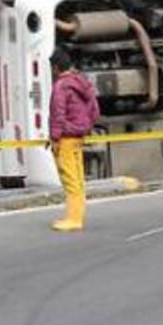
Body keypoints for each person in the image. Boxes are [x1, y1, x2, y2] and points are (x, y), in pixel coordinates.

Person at [48, 47, 100, 232]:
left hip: (66, 138)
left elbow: (58, 114)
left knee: (70, 180)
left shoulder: (61, 86)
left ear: (56, 67)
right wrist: (86, 127)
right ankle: (77, 216)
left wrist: (54, 138)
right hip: (79, 136)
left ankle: (73, 219)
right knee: (78, 179)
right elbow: (95, 110)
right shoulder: (82, 82)